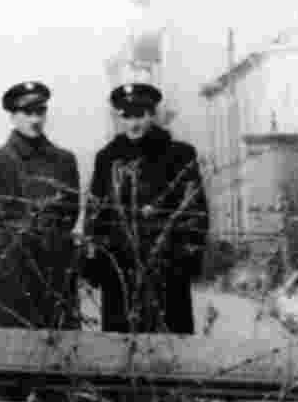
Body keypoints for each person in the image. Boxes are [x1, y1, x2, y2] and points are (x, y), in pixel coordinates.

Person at [0, 82, 82, 398]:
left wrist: (48, 241)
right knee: (10, 357)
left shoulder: (64, 161)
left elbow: (70, 213)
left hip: (54, 270)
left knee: (55, 358)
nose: (35, 119)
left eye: (40, 111)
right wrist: (4, 244)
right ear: (12, 116)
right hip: (10, 273)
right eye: (27, 112)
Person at [83, 83, 209, 334]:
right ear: (119, 117)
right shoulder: (107, 158)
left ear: (152, 114)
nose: (133, 123)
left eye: (140, 115)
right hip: (120, 272)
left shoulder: (179, 155)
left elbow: (195, 210)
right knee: (120, 348)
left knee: (170, 345)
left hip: (166, 270)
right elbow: (95, 213)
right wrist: (97, 260)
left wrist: (185, 258)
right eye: (126, 116)